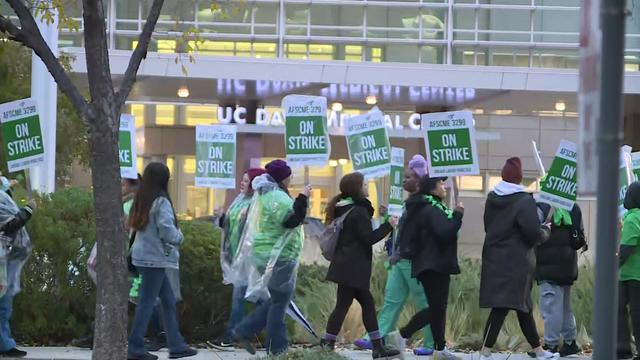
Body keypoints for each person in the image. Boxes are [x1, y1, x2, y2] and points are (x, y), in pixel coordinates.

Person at [354, 155, 435, 356]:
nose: (404, 180)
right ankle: (376, 337)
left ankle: (432, 343)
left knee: (425, 302)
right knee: (392, 300)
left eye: (409, 177)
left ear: (419, 179)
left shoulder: (427, 202)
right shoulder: (408, 202)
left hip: (415, 261)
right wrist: (387, 216)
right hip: (398, 260)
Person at [478, 157, 557, 360]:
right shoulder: (523, 201)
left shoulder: (492, 197)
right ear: (519, 177)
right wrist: (546, 231)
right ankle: (536, 351)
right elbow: (533, 233)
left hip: (495, 260)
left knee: (510, 305)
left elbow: (489, 227)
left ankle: (487, 351)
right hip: (517, 262)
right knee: (517, 305)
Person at [232, 159, 310, 356]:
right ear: (283, 177)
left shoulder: (265, 195)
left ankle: (246, 330)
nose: (291, 178)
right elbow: (290, 221)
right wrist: (303, 198)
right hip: (279, 255)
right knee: (279, 302)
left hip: (266, 254)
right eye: (289, 175)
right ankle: (276, 347)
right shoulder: (277, 197)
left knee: (278, 298)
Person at [320, 172, 400, 360]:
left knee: (360, 304)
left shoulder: (347, 208)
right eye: (364, 185)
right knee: (349, 305)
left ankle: (373, 346)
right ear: (357, 188)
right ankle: (330, 344)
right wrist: (388, 225)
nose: (367, 188)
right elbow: (368, 239)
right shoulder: (358, 212)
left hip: (346, 266)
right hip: (353, 268)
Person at [387, 175, 464, 360]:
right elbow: (445, 232)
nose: (444, 186)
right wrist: (458, 215)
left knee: (438, 308)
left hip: (432, 264)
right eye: (440, 184)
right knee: (437, 309)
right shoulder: (430, 210)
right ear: (431, 189)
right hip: (433, 265)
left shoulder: (427, 207)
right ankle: (401, 335)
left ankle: (440, 349)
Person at [128, 163, 197, 360]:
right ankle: (135, 346)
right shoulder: (161, 201)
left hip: (142, 256)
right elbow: (166, 230)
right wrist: (180, 237)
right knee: (147, 303)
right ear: (164, 180)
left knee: (167, 301)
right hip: (154, 259)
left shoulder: (142, 199)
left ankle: (176, 345)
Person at [209, 167, 265, 351]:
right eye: (242, 179)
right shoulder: (240, 200)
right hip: (237, 256)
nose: (242, 183)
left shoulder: (257, 203)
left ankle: (230, 337)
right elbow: (231, 224)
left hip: (249, 259)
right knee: (260, 299)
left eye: (246, 180)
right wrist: (221, 217)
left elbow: (252, 230)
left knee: (241, 298)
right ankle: (276, 332)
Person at [533, 191, 586, 357]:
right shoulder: (574, 207)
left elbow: (532, 229)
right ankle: (570, 342)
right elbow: (579, 240)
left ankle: (550, 345)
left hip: (548, 264)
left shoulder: (545, 205)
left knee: (550, 307)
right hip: (568, 263)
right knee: (564, 307)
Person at [0, 177, 35, 358]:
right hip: (2, 258)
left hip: (5, 257)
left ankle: (4, 343)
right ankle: (4, 344)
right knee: (3, 303)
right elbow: (9, 224)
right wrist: (28, 209)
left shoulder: (3, 198)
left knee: (4, 303)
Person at [617, 181, 640, 360]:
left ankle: (623, 348)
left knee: (628, 312)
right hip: (633, 274)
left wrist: (612, 267)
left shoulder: (633, 218)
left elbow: (626, 249)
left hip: (630, 274)